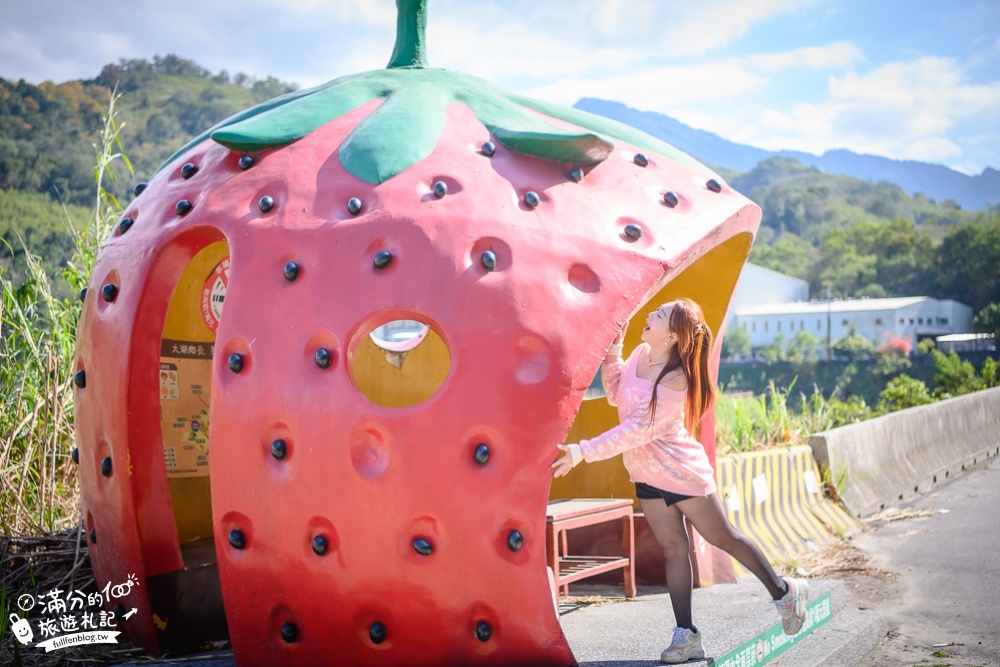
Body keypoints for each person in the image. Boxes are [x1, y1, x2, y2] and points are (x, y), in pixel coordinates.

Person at [552, 298, 809, 664]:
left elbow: (637, 431)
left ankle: (785, 592)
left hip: (681, 474)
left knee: (723, 538)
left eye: (658, 316)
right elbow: (615, 395)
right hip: (645, 474)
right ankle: (686, 635)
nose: (649, 316)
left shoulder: (677, 377)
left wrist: (583, 451)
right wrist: (613, 351)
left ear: (672, 334)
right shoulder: (642, 353)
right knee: (674, 549)